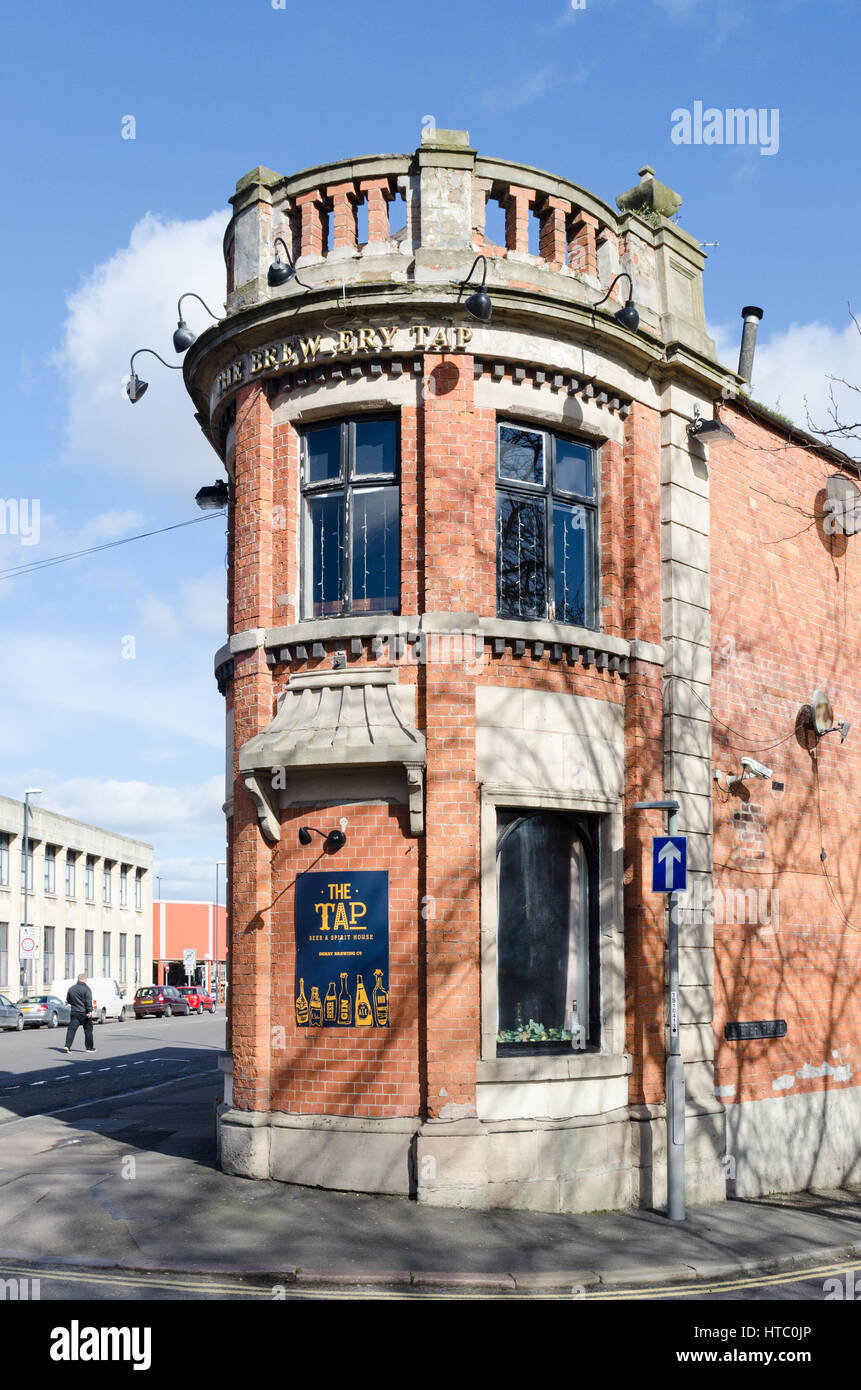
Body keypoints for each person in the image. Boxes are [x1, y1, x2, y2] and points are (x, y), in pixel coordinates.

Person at [63, 974, 95, 1053]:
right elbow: (88, 1001)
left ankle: (67, 1046)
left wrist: (74, 1005)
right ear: (85, 979)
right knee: (88, 1030)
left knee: (71, 1030)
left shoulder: (71, 989)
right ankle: (89, 1048)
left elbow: (68, 999)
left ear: (78, 979)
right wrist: (89, 1011)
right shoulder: (86, 989)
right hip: (84, 1013)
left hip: (74, 1012)